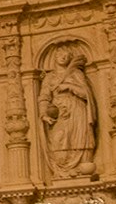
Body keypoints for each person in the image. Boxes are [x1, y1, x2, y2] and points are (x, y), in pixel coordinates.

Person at [39, 47, 98, 178]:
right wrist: (44, 114)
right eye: (60, 54)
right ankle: (63, 171)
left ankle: (81, 169)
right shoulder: (50, 77)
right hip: (59, 112)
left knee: (79, 140)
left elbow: (86, 94)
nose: (63, 57)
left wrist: (70, 86)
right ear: (55, 57)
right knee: (58, 140)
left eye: (66, 55)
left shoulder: (76, 74)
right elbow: (44, 97)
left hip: (77, 111)